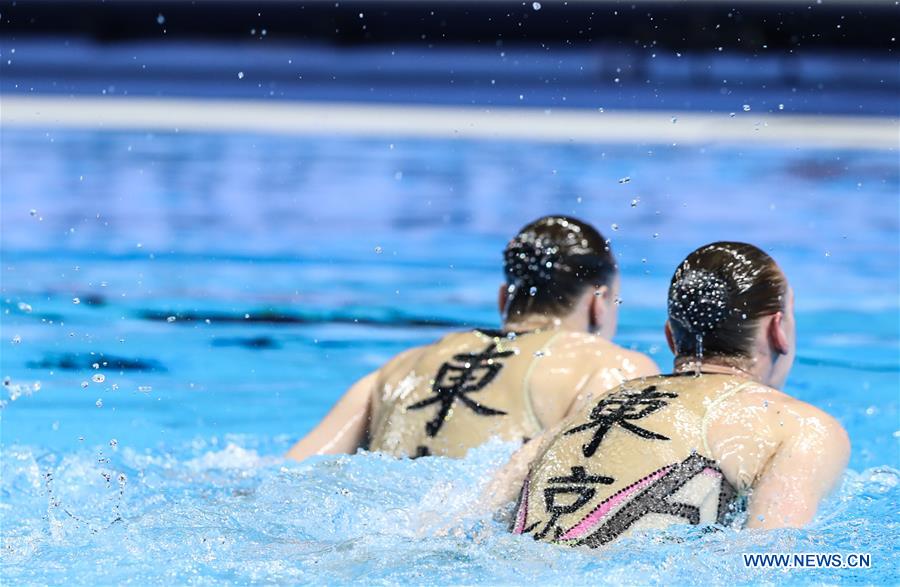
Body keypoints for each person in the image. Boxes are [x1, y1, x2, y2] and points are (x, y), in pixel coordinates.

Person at [492, 241, 849, 546]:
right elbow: (768, 559)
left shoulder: (597, 407)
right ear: (778, 330)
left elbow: (475, 515)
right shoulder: (802, 427)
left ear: (671, 337)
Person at [286, 215, 659, 460]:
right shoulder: (611, 367)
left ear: (503, 300)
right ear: (598, 304)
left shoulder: (397, 369)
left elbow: (292, 473)